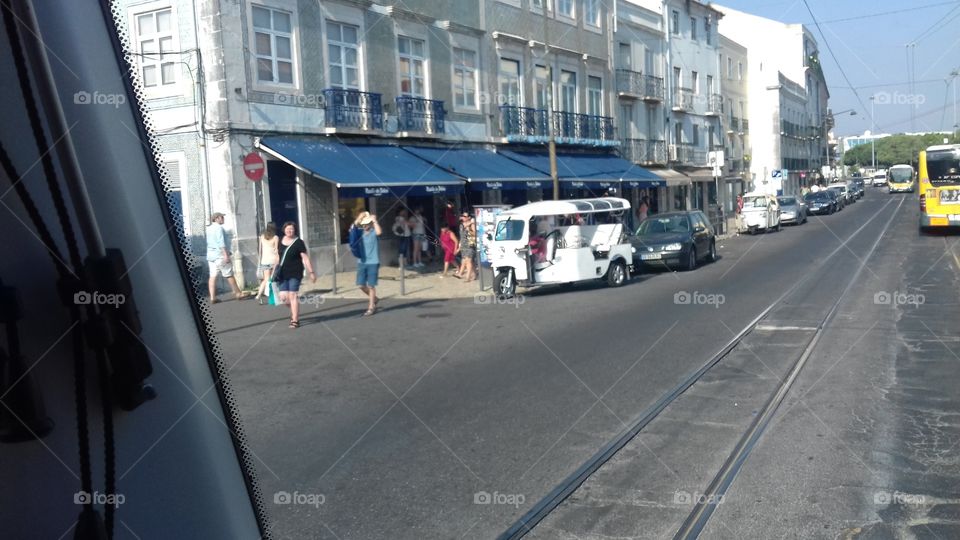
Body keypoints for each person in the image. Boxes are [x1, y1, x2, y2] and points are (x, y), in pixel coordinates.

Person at [274, 221, 316, 328]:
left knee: (293, 296)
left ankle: (295, 320)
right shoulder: (280, 241)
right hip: (282, 273)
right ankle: (294, 309)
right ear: (284, 230)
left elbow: (305, 258)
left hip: (295, 272)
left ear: (295, 230)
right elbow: (278, 257)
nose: (289, 230)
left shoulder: (299, 242)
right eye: (287, 229)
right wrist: (273, 270)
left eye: (292, 229)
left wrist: (311, 272)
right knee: (284, 298)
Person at [206, 212, 243, 304]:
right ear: (216, 218)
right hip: (220, 255)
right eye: (222, 217)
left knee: (212, 276)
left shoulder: (209, 228)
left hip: (211, 255)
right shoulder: (219, 228)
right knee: (229, 274)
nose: (223, 219)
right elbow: (221, 242)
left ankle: (212, 297)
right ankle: (238, 293)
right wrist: (226, 255)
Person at [354, 211, 382, 316]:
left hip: (373, 262)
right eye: (364, 224)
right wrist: (360, 216)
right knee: (361, 285)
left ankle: (371, 307)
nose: (365, 226)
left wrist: (374, 220)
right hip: (362, 262)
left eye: (367, 224)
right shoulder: (360, 233)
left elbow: (379, 232)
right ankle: (374, 298)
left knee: (371, 285)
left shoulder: (374, 231)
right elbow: (354, 226)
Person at [255, 222, 279, 304]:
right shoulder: (275, 237)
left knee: (265, 279)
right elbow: (276, 250)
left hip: (264, 261)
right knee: (273, 279)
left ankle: (258, 295)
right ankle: (273, 296)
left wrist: (260, 260)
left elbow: (260, 250)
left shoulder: (262, 237)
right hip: (273, 260)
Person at [456, 210, 477, 282]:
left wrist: (470, 230)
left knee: (469, 260)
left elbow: (475, 234)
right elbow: (461, 236)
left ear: (469, 217)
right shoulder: (461, 225)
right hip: (463, 245)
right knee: (469, 261)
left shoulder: (472, 225)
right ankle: (474, 274)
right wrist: (459, 246)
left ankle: (468, 277)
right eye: (463, 216)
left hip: (470, 244)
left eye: (465, 216)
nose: (463, 217)